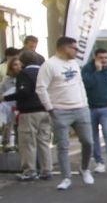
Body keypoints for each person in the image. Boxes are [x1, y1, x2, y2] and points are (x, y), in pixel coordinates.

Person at [36, 36, 95, 189]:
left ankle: (84, 168)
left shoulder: (74, 63)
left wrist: (85, 103)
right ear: (65, 48)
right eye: (74, 48)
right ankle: (66, 177)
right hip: (60, 110)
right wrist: (50, 107)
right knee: (63, 145)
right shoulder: (49, 65)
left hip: (81, 108)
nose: (77, 51)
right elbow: (41, 88)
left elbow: (79, 84)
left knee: (88, 142)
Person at [83, 47, 107, 172]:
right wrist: (97, 72)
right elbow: (86, 84)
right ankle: (99, 161)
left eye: (105, 58)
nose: (104, 60)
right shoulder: (87, 70)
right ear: (95, 58)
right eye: (101, 58)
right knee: (93, 137)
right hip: (91, 108)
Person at [14, 46, 52, 179]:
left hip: (29, 111)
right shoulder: (44, 72)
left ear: (23, 61)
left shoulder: (24, 74)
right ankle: (46, 170)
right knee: (43, 141)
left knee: (28, 142)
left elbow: (23, 92)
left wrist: (7, 97)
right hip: (45, 109)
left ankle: (29, 171)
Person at [1, 49, 19, 158]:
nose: (17, 67)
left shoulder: (22, 77)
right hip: (8, 105)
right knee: (7, 125)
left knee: (18, 125)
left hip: (19, 105)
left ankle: (18, 143)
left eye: (19, 64)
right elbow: (1, 90)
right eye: (15, 65)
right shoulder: (6, 79)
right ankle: (5, 142)